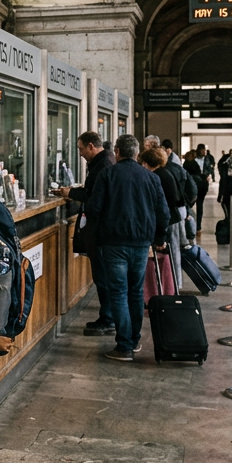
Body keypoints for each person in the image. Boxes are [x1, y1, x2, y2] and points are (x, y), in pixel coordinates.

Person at [86, 135, 171, 362]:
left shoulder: (107, 174)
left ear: (117, 151)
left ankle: (123, 346)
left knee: (118, 293)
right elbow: (164, 213)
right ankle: (134, 340)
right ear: (136, 153)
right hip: (142, 244)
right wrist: (159, 238)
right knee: (135, 293)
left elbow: (93, 209)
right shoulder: (151, 178)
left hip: (114, 243)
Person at [55, 132, 116, 336]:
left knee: (103, 277)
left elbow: (95, 198)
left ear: (91, 146)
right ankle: (107, 316)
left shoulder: (103, 165)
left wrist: (71, 193)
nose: (79, 153)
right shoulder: (103, 162)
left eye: (81, 149)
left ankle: (108, 318)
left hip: (100, 231)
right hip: (100, 231)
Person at [140, 147, 189, 288]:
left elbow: (166, 201)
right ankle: (173, 285)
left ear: (148, 163)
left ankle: (171, 285)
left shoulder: (158, 176)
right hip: (173, 217)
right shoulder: (166, 172)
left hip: (169, 220)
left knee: (170, 254)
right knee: (172, 253)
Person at [186, 144, 215, 225]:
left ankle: (198, 226)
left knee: (200, 205)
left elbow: (209, 169)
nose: (205, 152)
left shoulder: (207, 159)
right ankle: (189, 223)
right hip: (193, 184)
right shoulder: (192, 159)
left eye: (205, 150)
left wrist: (209, 175)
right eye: (203, 150)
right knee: (190, 203)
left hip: (203, 184)